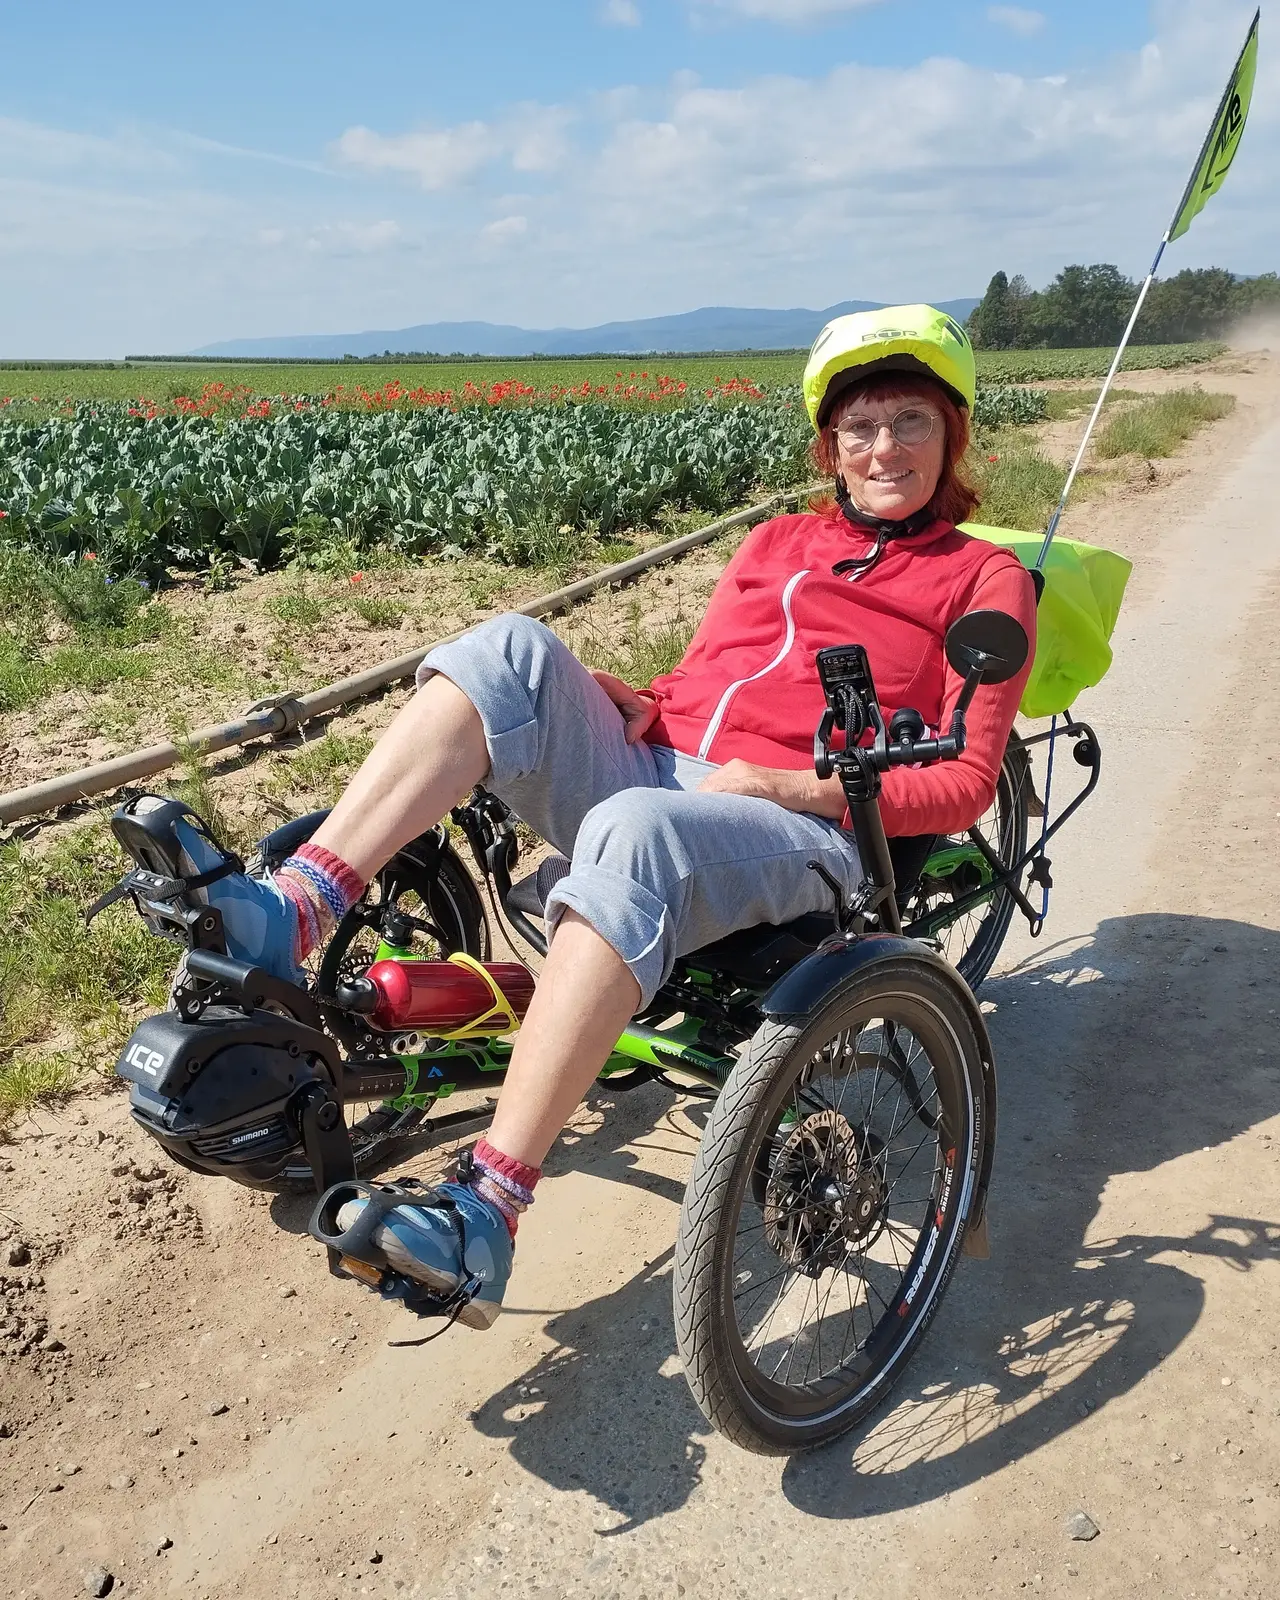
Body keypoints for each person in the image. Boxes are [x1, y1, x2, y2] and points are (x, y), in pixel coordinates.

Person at [169, 305, 1036, 1328]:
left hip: (808, 822)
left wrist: (782, 784)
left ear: (952, 436)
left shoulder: (982, 577)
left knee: (635, 826)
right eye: (859, 427)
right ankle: (293, 911)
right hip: (668, 764)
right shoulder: (775, 540)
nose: (882, 446)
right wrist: (641, 698)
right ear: (828, 447)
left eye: (909, 421)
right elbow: (712, 671)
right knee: (504, 650)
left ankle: (485, 1212)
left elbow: (965, 782)